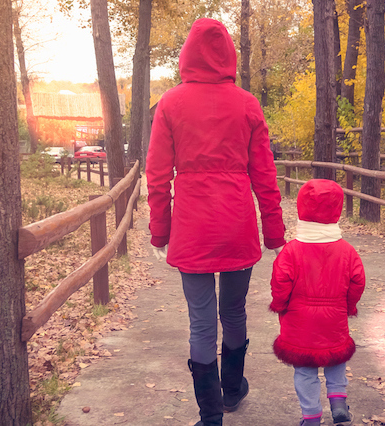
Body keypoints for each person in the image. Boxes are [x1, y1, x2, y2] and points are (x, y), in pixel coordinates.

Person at [146, 18, 286, 426]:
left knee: (201, 321)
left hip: (192, 228)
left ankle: (211, 417)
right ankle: (232, 390)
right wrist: (274, 232)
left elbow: (157, 175)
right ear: (229, 54)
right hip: (237, 225)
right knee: (235, 312)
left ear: (187, 52)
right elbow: (265, 173)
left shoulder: (170, 103)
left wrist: (160, 231)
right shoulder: (246, 104)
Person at [270, 179, 366, 426]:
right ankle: (338, 403)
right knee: (335, 360)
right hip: (334, 318)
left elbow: (280, 281)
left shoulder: (291, 251)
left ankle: (311, 416)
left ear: (302, 209)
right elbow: (358, 280)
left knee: (305, 370)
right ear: (337, 210)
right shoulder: (347, 251)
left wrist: (281, 304)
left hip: (299, 322)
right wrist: (348, 305)